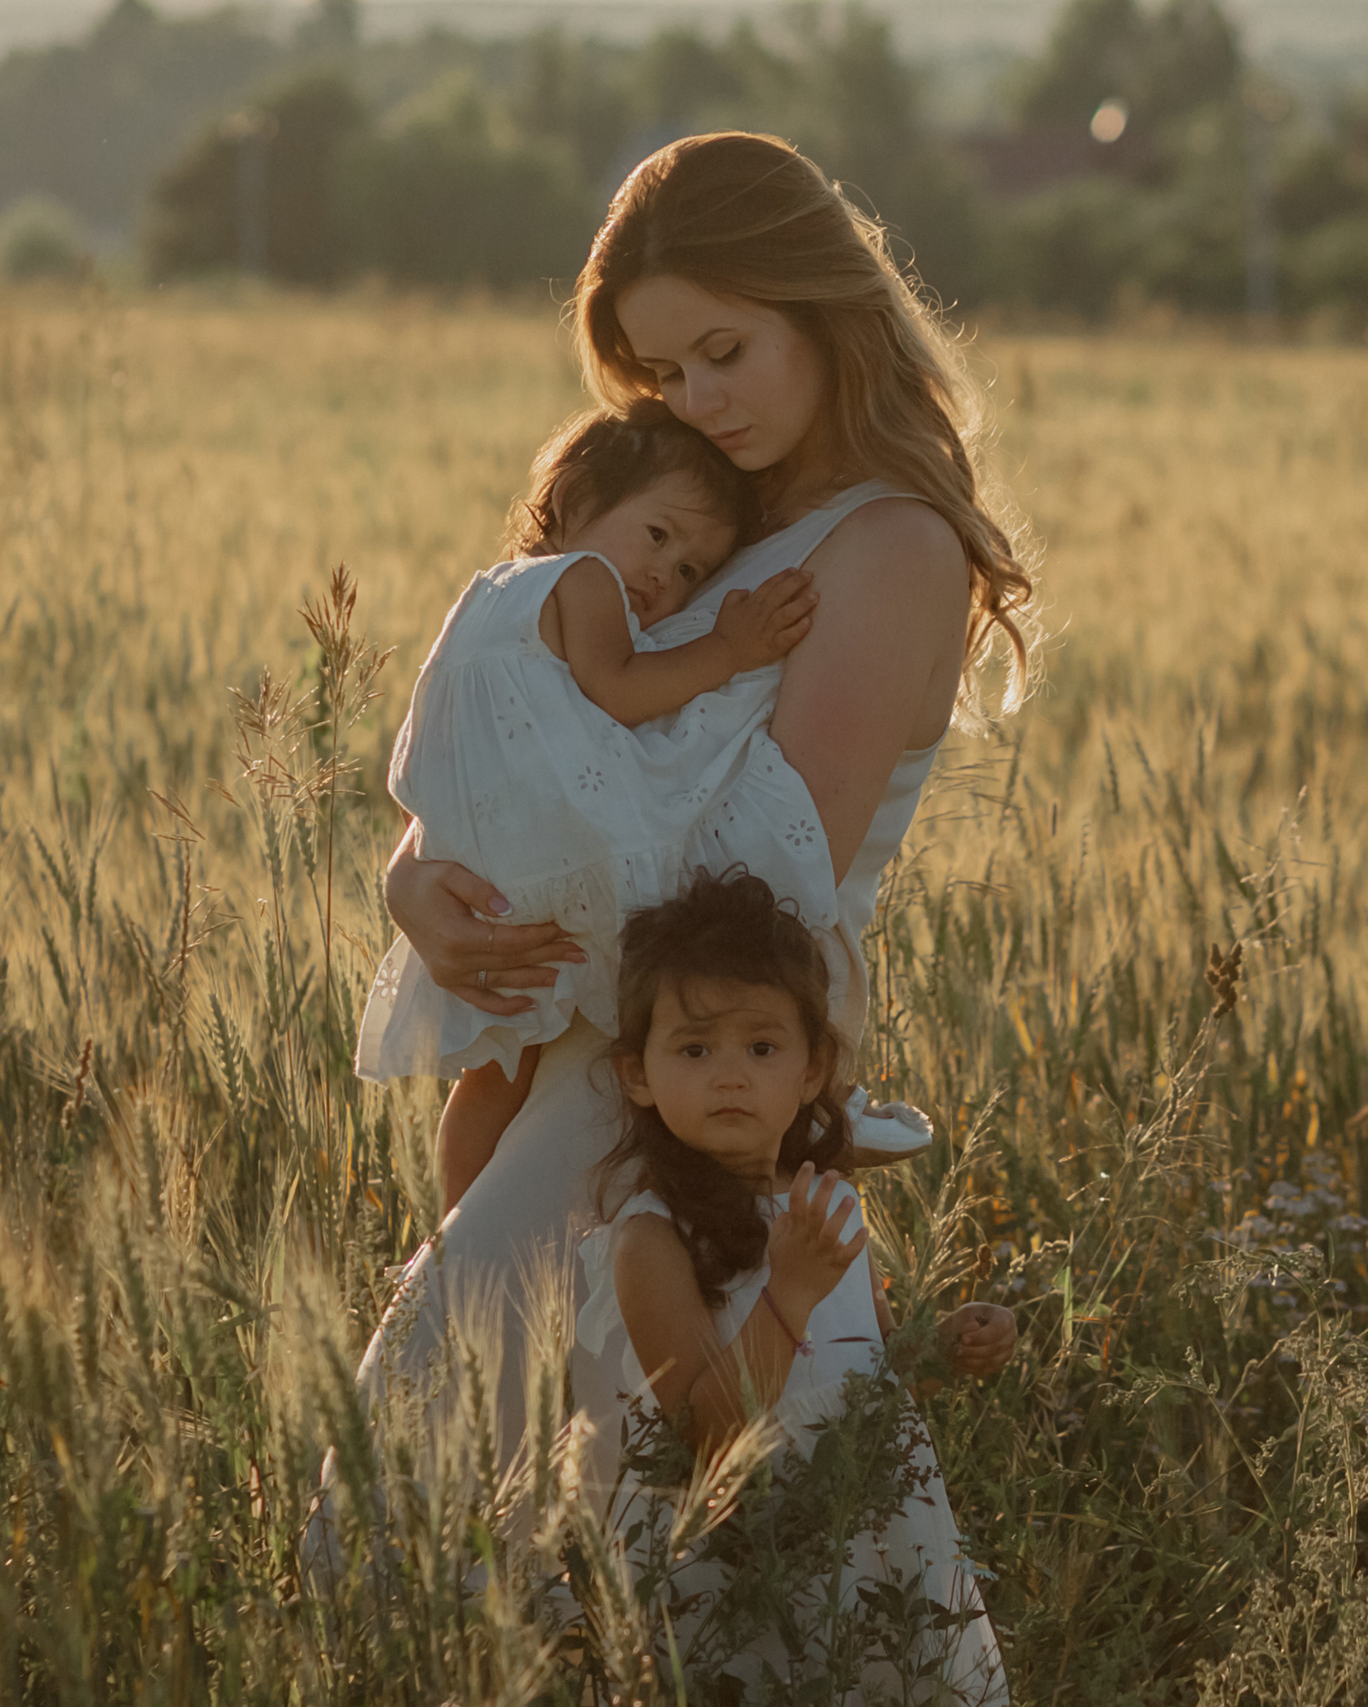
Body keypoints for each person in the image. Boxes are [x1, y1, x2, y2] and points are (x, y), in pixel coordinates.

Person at [331, 129, 1037, 1499]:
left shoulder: (889, 546)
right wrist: (416, 882)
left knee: (466, 1481)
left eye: (725, 350)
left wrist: (520, 916)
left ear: (824, 314)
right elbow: (533, 735)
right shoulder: (687, 526)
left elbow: (755, 877)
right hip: (586, 1054)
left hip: (677, 1091)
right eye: (664, 371)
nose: (696, 398)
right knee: (485, 1497)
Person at [357, 398, 829, 1213]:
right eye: (657, 535)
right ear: (575, 503)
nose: (664, 575)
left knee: (497, 1077)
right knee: (651, 1039)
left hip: (492, 868)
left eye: (690, 571)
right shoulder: (584, 580)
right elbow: (618, 690)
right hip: (564, 858)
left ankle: (456, 1230)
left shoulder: (485, 595)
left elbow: (430, 739)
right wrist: (729, 649)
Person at [574, 871, 1013, 1701]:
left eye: (761, 1047)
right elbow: (713, 1439)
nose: (730, 1075)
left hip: (870, 1541)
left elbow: (872, 1369)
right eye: (695, 1049)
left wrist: (950, 1344)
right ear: (637, 1073)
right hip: (747, 1566)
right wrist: (789, 1291)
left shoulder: (829, 1199)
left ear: (812, 1069)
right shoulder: (653, 1237)